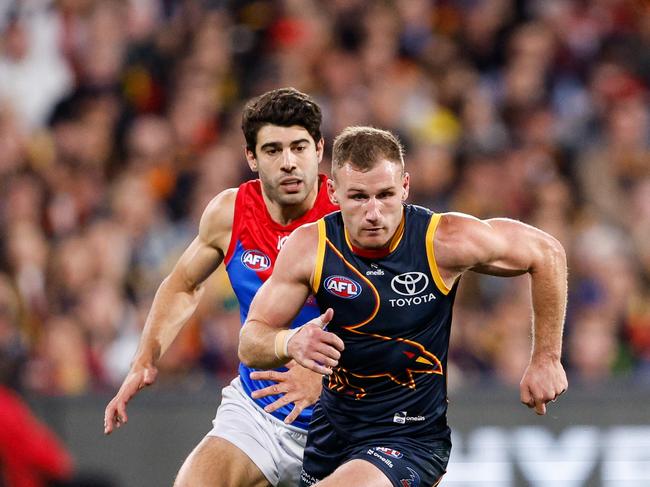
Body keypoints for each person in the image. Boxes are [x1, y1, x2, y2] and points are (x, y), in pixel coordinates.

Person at [238, 126, 569, 487]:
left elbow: (545, 252)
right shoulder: (310, 247)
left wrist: (546, 359)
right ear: (333, 193)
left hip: (411, 439)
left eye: (385, 195)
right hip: (332, 432)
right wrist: (290, 343)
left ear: (406, 187)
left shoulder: (442, 241)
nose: (374, 212)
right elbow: (251, 340)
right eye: (359, 197)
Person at [104, 87, 338, 487]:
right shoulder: (230, 212)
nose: (288, 163)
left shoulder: (349, 216)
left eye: (299, 147)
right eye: (272, 150)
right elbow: (182, 285)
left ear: (318, 150)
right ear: (251, 157)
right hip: (257, 414)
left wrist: (328, 377)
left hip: (342, 421)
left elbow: (394, 317)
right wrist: (145, 357)